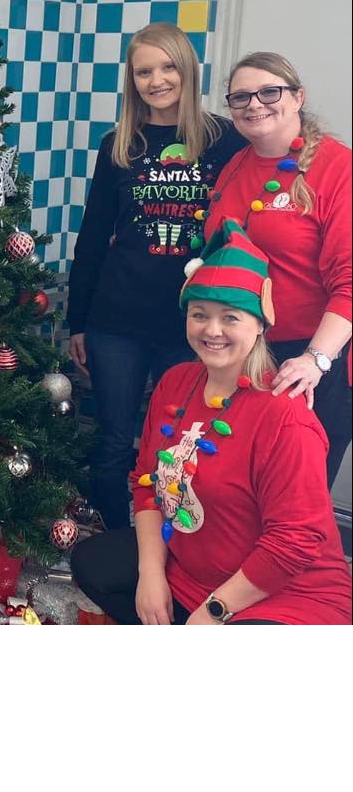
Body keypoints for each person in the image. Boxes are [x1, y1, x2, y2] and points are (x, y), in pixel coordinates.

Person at [71, 218, 352, 625]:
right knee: (93, 562)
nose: (212, 330)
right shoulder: (176, 384)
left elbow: (294, 542)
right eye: (199, 314)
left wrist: (215, 610)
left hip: (286, 594)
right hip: (191, 572)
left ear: (260, 325)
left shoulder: (285, 417)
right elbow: (146, 483)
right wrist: (151, 576)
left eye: (231, 317)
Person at [66, 23, 246, 529]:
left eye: (167, 67)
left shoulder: (224, 140)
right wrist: (77, 322)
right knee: (114, 440)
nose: (157, 80)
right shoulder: (119, 145)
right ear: (132, 80)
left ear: (187, 70)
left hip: (193, 324)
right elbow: (92, 237)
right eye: (144, 72)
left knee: (180, 441)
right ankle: (116, 540)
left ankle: (171, 543)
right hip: (116, 320)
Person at [203, 52, 351, 488]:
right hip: (243, 351)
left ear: (298, 97)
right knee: (239, 489)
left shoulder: (337, 168)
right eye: (241, 97)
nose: (255, 105)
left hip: (312, 359)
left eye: (270, 92)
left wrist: (315, 360)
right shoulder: (235, 166)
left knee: (296, 495)